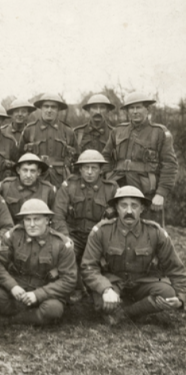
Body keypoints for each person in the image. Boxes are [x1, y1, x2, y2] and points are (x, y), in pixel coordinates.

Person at [81, 186, 186, 325]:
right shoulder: (101, 231)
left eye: (134, 206)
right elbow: (89, 267)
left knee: (168, 295)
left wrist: (181, 298)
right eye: (124, 205)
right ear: (117, 208)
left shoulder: (155, 232)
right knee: (101, 302)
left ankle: (125, 313)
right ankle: (138, 308)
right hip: (114, 282)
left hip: (144, 282)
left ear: (142, 209)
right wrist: (106, 288)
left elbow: (175, 269)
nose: (129, 211)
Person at [0, 199, 76, 325]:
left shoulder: (61, 244)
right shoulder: (13, 236)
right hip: (17, 291)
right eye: (27, 219)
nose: (31, 224)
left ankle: (11, 320)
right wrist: (12, 286)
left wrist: (38, 294)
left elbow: (69, 279)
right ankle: (29, 315)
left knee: (53, 309)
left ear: (47, 220)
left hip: (45, 293)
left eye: (37, 219)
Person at [52, 150, 118, 302]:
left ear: (101, 170)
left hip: (99, 238)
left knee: (106, 263)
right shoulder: (69, 186)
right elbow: (58, 215)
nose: (89, 172)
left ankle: (104, 289)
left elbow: (117, 219)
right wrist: (66, 238)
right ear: (80, 169)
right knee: (63, 256)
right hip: (73, 235)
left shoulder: (111, 189)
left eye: (94, 168)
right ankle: (77, 288)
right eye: (86, 168)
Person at [101, 92, 178, 220]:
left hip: (147, 193)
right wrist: (108, 180)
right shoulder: (118, 131)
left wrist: (161, 193)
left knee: (150, 233)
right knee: (116, 231)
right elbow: (105, 157)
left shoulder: (159, 132)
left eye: (138, 107)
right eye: (131, 108)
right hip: (119, 190)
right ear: (127, 111)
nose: (135, 111)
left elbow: (170, 164)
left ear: (147, 109)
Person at [19, 93, 77, 188]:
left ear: (58, 109)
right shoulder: (29, 130)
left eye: (53, 107)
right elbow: (19, 157)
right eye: (46, 106)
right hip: (36, 181)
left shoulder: (68, 131)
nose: (49, 110)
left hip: (62, 181)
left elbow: (77, 159)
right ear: (41, 108)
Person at [0, 153, 56, 222]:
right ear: (18, 170)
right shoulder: (6, 186)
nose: (28, 175)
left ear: (38, 172)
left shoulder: (47, 189)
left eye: (32, 171)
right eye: (25, 170)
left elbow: (54, 217)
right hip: (12, 229)